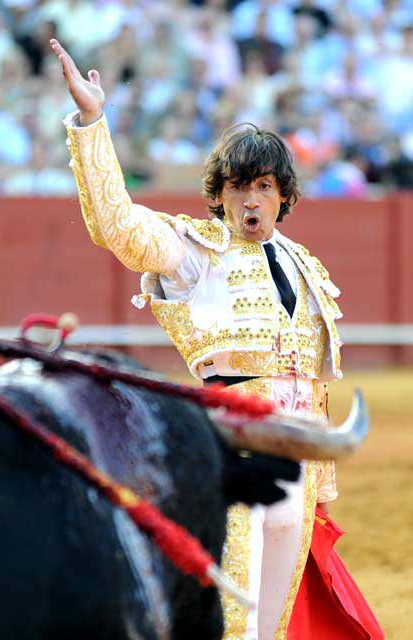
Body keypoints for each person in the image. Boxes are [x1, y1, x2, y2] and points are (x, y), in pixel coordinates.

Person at [50, 39, 384, 640]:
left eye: (261, 187)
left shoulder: (303, 262)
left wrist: (322, 483)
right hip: (233, 444)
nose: (249, 200)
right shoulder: (193, 254)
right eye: (236, 187)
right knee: (232, 616)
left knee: (272, 623)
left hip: (300, 455)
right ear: (219, 194)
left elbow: (311, 382)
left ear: (283, 195)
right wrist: (93, 124)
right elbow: (116, 224)